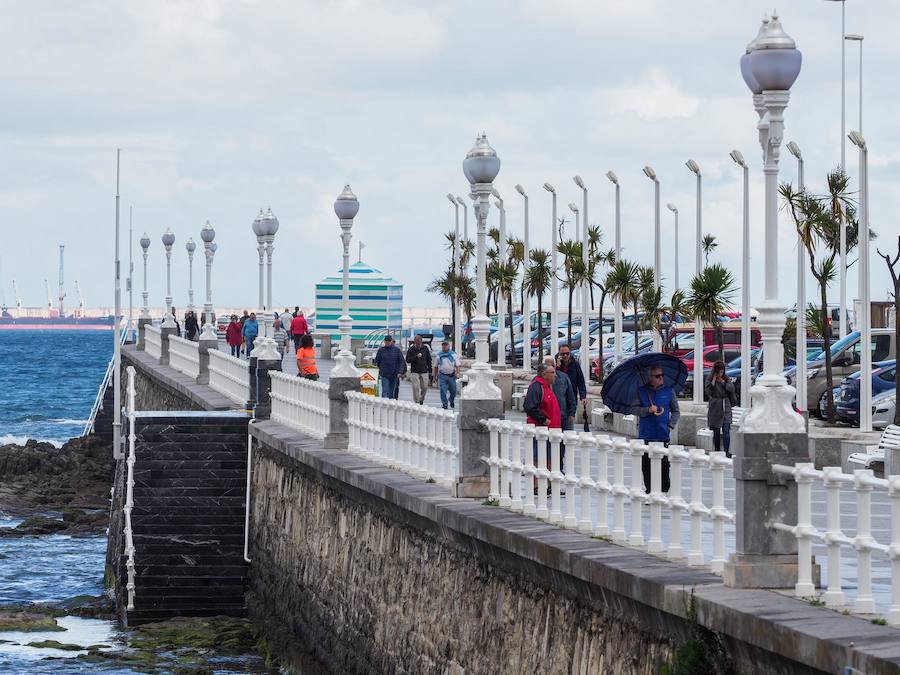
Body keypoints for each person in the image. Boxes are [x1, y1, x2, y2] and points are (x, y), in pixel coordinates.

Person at [630, 365, 680, 493]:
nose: (661, 378)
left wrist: (670, 425)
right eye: (658, 376)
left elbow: (676, 411)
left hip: (663, 435)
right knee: (646, 466)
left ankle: (663, 489)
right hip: (646, 435)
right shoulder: (641, 391)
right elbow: (634, 409)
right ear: (650, 377)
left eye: (662, 375)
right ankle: (650, 491)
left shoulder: (669, 391)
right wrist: (647, 410)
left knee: (664, 466)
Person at [705, 360, 737, 457]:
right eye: (718, 372)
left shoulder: (726, 379)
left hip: (725, 405)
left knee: (726, 429)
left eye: (722, 372)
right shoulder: (709, 379)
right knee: (716, 430)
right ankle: (717, 450)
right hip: (715, 406)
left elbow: (731, 388)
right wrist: (714, 381)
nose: (720, 374)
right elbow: (708, 392)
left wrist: (723, 382)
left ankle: (727, 451)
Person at [556, 344, 587, 427]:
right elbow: (554, 380)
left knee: (569, 425)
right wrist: (558, 367)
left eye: (567, 353)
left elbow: (581, 381)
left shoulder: (575, 364)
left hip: (571, 398)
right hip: (558, 399)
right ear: (559, 354)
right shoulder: (555, 364)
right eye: (563, 354)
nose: (565, 356)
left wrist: (583, 396)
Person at [544, 355, 576, 431]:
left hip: (563, 416)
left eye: (551, 366)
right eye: (547, 366)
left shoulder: (564, 378)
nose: (550, 368)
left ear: (555, 366)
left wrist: (572, 413)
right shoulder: (538, 381)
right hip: (546, 418)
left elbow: (570, 396)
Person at [405, 335, 432, 405]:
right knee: (415, 387)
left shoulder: (425, 349)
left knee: (425, 387)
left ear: (421, 342)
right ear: (414, 342)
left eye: (419, 343)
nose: (418, 345)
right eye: (417, 343)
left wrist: (430, 371)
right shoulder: (411, 349)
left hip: (424, 371)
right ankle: (417, 401)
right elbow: (407, 360)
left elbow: (429, 360)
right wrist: (415, 357)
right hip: (415, 371)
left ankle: (421, 399)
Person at [433, 341, 459, 409]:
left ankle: (451, 400)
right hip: (442, 375)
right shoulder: (439, 355)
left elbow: (457, 365)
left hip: (452, 375)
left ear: (448, 346)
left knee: (453, 390)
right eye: (443, 345)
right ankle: (445, 403)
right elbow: (435, 366)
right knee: (443, 390)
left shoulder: (453, 355)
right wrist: (434, 377)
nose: (444, 347)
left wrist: (458, 373)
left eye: (446, 345)